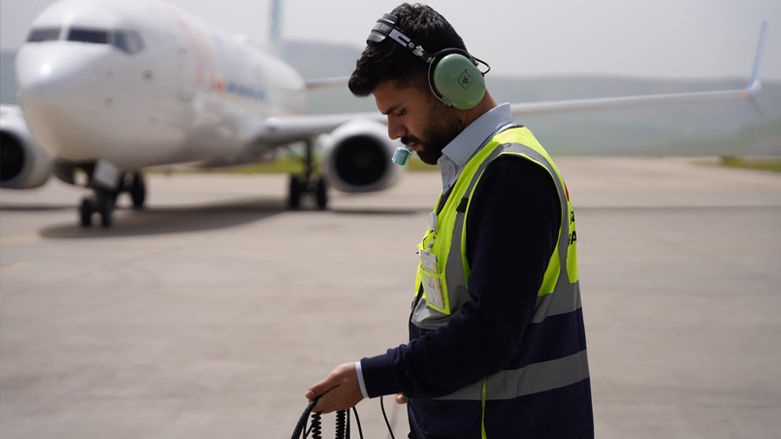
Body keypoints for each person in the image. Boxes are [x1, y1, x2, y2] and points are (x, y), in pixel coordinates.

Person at [305, 4, 594, 438]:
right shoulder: (477, 170)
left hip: (505, 427)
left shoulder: (511, 174)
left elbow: (487, 337)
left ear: (451, 85)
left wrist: (372, 378)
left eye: (399, 110)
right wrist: (422, 374)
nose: (392, 132)